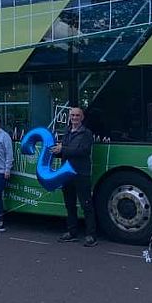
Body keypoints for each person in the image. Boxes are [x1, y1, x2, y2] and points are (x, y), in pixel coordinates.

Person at [52, 106, 97, 247]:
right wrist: (55, 152)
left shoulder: (87, 133)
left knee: (86, 205)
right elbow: (64, 152)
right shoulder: (66, 132)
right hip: (67, 173)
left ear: (82, 118)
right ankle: (72, 232)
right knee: (69, 204)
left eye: (77, 115)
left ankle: (91, 235)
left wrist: (63, 149)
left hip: (81, 173)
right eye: (72, 115)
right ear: (69, 117)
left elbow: (83, 151)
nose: (75, 118)